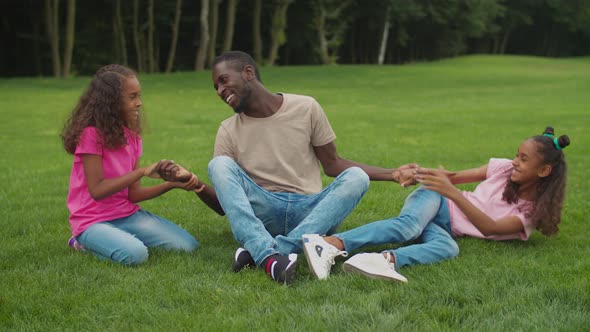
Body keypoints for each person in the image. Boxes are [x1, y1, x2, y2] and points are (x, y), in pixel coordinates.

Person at [208, 51, 417, 284]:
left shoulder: (306, 107)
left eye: (223, 80)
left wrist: (393, 174)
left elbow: (333, 164)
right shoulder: (227, 130)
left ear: (248, 73)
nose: (220, 91)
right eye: (216, 87)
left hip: (310, 213)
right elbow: (229, 203)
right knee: (219, 164)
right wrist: (195, 186)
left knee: (356, 177)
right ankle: (270, 256)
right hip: (264, 213)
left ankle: (264, 251)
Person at [303, 127, 570, 282]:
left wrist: (452, 192)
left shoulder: (531, 213)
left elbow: (491, 228)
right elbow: (452, 178)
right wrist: (422, 174)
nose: (514, 161)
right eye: (516, 155)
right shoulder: (502, 168)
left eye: (523, 159)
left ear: (544, 170)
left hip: (447, 219)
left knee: (448, 248)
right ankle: (329, 244)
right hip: (437, 199)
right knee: (408, 227)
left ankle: (382, 260)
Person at [61, 64, 208, 266]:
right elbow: (97, 190)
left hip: (126, 215)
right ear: (111, 102)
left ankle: (116, 236)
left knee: (187, 246)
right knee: (136, 255)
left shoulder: (133, 137)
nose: (139, 103)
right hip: (91, 221)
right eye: (132, 97)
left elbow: (133, 195)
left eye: (139, 96)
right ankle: (81, 242)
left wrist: (171, 185)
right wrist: (141, 172)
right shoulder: (91, 135)